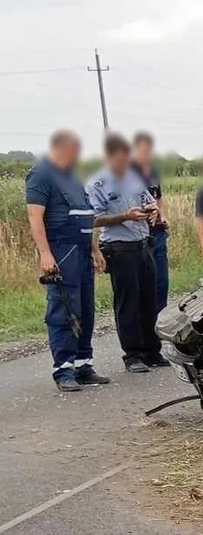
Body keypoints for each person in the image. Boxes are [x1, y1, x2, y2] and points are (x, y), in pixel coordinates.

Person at [25, 130, 109, 392]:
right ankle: (64, 370)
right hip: (62, 250)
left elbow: (86, 215)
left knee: (85, 309)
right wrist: (45, 253)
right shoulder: (41, 175)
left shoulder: (72, 176)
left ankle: (84, 366)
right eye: (75, 149)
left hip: (82, 250)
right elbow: (35, 218)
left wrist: (95, 249)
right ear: (61, 147)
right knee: (64, 310)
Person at [87, 132, 166, 373]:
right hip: (120, 249)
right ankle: (133, 355)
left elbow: (149, 201)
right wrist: (124, 216)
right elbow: (94, 219)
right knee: (128, 303)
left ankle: (152, 351)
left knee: (149, 300)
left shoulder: (134, 177)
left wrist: (152, 210)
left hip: (144, 244)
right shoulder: (97, 184)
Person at [130, 131, 169, 314]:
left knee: (161, 280)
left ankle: (160, 317)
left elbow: (159, 198)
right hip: (138, 234)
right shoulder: (127, 173)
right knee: (143, 281)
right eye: (143, 151)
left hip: (157, 232)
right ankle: (144, 319)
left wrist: (163, 216)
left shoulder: (153, 172)